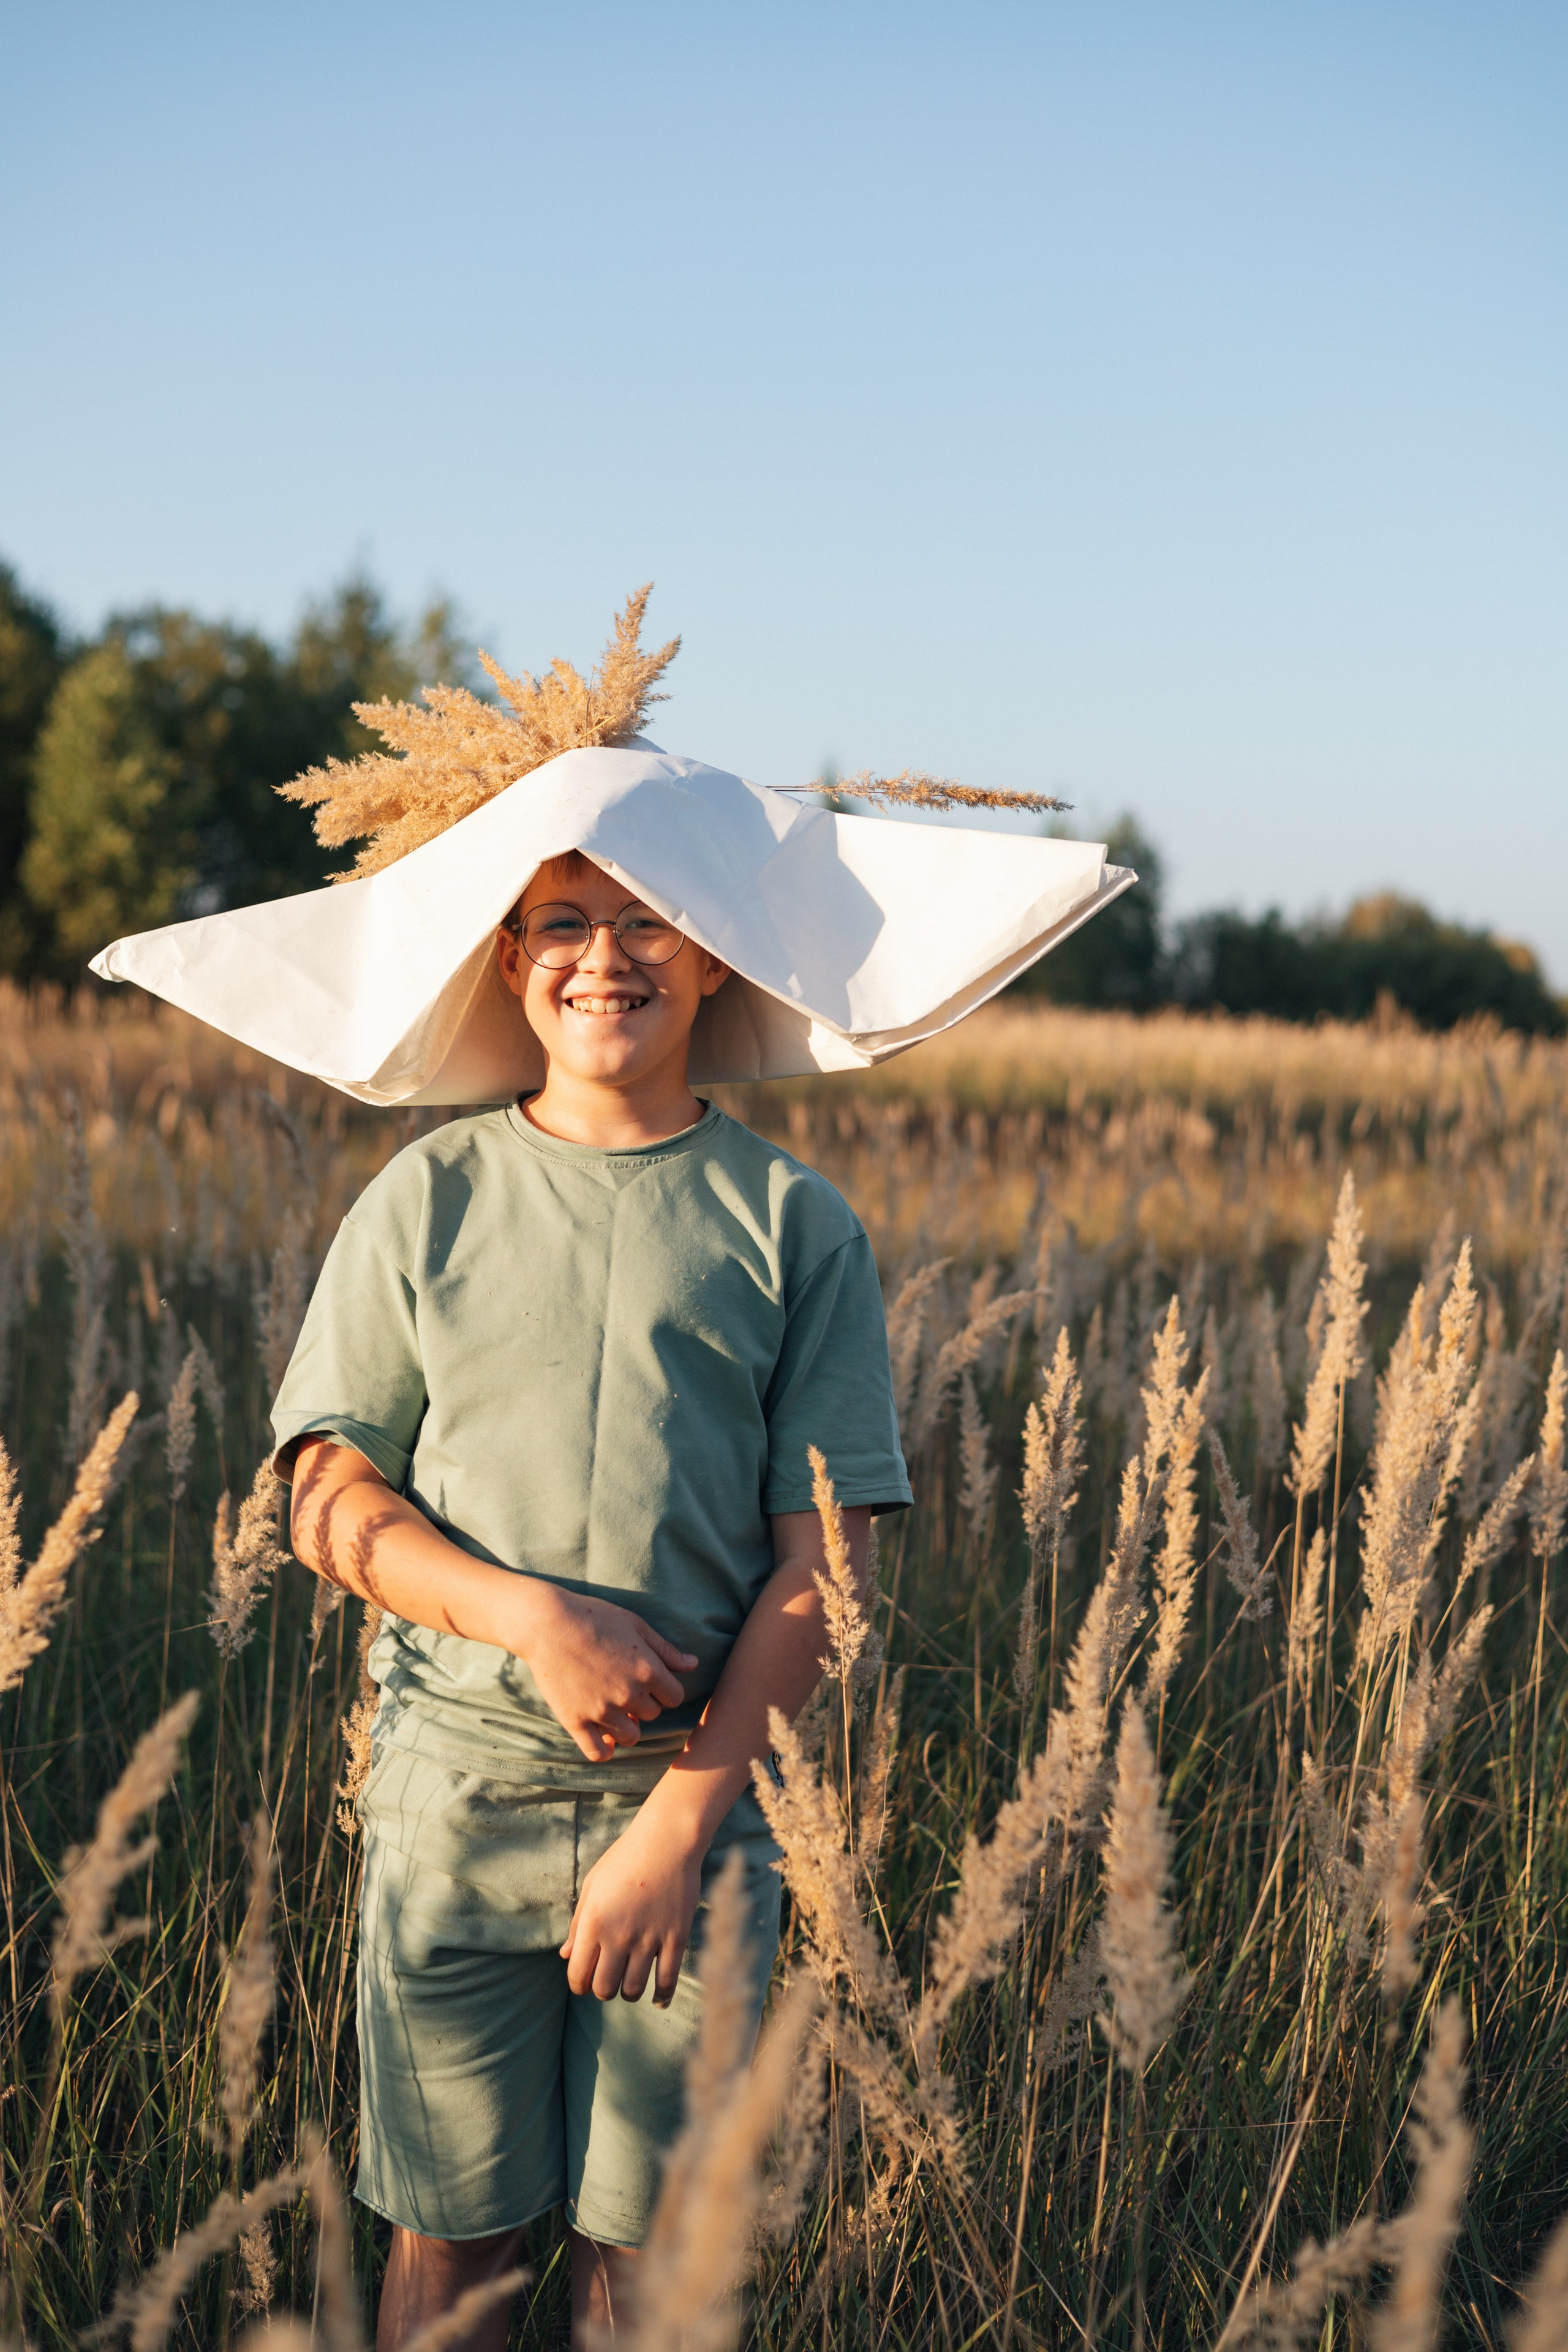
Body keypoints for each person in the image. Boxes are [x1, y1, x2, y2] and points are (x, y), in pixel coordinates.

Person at [275, 844, 912, 2350]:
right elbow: (322, 1495)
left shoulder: (789, 1220)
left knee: (648, 2268)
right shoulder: (425, 1196)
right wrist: (533, 1620)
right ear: (508, 960)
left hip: (692, 1823)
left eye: (649, 924)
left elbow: (826, 1559)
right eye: (560, 923)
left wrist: (675, 1832)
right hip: (455, 1803)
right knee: (458, 2248)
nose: (603, 956)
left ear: (714, 963)